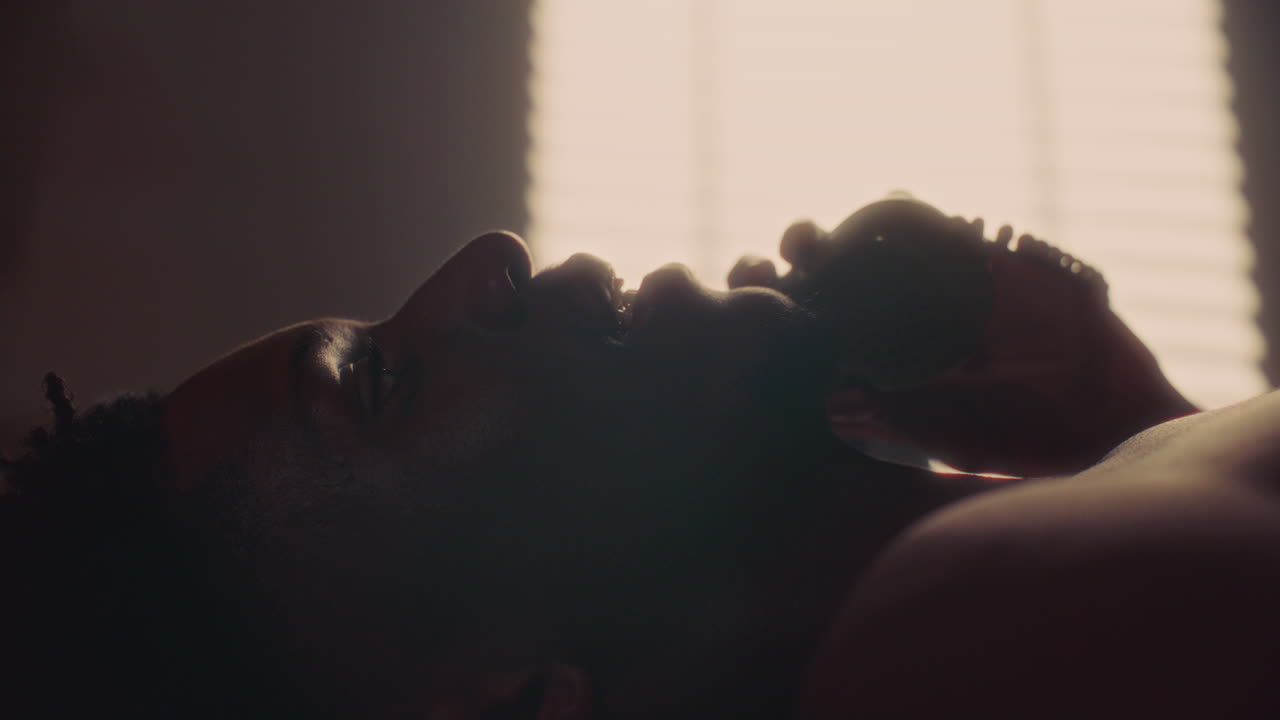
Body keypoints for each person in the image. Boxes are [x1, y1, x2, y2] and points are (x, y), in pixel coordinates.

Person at [1, 207, 1275, 719]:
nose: (483, 262)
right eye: (383, 380)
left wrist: (1139, 418)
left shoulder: (1056, 578)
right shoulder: (947, 642)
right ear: (510, 701)